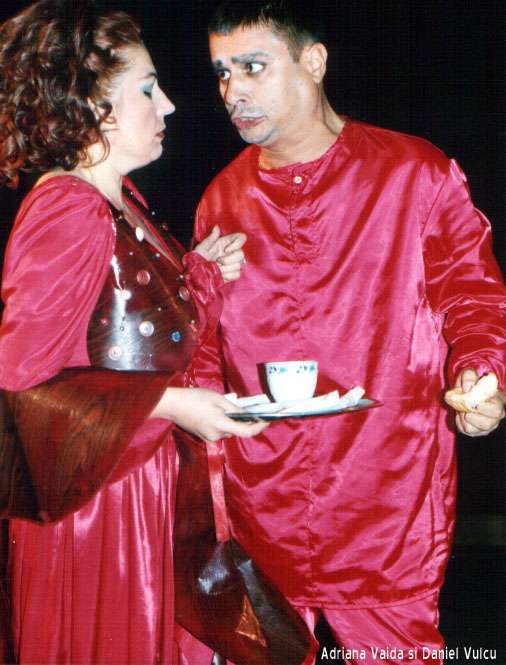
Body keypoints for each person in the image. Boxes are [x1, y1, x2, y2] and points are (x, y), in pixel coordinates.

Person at [186, 1, 506, 662]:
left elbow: (472, 294)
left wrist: (481, 373)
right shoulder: (222, 199)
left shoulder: (413, 173)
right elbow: (204, 351)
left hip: (385, 499)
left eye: (253, 67)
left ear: (313, 61)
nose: (233, 90)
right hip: (262, 505)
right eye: (222, 72)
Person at [0, 1, 267, 663]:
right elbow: (20, 387)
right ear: (92, 107)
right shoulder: (68, 208)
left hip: (136, 488)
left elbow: (129, 324)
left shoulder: (119, 200)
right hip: (95, 511)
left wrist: (201, 272)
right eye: (147, 89)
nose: (168, 104)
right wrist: (171, 404)